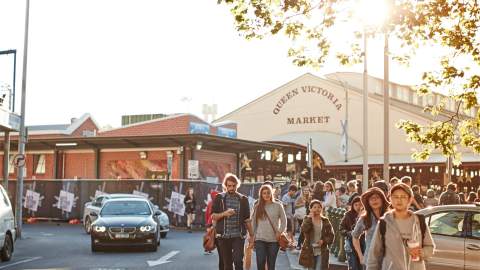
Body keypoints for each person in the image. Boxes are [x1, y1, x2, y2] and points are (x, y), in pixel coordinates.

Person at [367, 183, 435, 270]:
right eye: (395, 197)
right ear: (390, 199)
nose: (399, 200)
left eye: (403, 197)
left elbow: (430, 247)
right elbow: (374, 255)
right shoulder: (384, 222)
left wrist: (421, 253)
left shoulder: (419, 221)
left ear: (410, 199)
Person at [212, 173, 254, 270]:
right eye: (229, 186)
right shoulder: (219, 198)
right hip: (223, 236)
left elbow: (247, 219)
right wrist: (224, 213)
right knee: (227, 264)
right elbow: (213, 216)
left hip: (238, 235)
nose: (231, 188)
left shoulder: (243, 199)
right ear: (225, 186)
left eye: (233, 186)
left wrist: (252, 236)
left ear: (237, 185)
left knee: (238, 260)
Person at [251, 185, 287, 270]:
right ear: (261, 195)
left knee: (271, 265)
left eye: (268, 193)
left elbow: (284, 221)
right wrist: (253, 236)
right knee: (260, 263)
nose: (266, 195)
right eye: (264, 193)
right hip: (260, 239)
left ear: (271, 193)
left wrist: (280, 232)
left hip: (274, 240)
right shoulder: (257, 206)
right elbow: (253, 223)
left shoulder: (278, 205)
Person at [351, 187, 389, 268]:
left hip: (389, 259)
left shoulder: (390, 216)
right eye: (371, 199)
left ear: (382, 199)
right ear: (368, 202)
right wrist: (361, 256)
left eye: (377, 198)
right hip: (370, 259)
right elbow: (355, 236)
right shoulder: (365, 218)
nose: (374, 200)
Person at [298, 200, 335, 270]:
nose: (317, 209)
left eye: (319, 207)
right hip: (309, 250)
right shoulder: (307, 219)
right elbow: (304, 230)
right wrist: (310, 218)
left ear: (321, 209)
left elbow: (331, 235)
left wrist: (323, 241)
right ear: (310, 209)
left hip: (322, 250)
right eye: (314, 207)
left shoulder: (325, 221)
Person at [340, 196, 363, 270]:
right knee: (353, 265)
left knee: (362, 265)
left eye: (360, 204)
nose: (358, 207)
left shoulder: (365, 215)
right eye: (356, 205)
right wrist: (349, 233)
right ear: (352, 205)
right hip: (350, 243)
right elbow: (341, 228)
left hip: (362, 243)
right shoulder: (348, 215)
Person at [205, 190, 220, 255]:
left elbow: (206, 214)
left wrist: (207, 222)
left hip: (209, 222)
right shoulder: (218, 203)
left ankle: (208, 248)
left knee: (209, 236)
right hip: (215, 222)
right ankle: (209, 248)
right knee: (214, 236)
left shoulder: (210, 203)